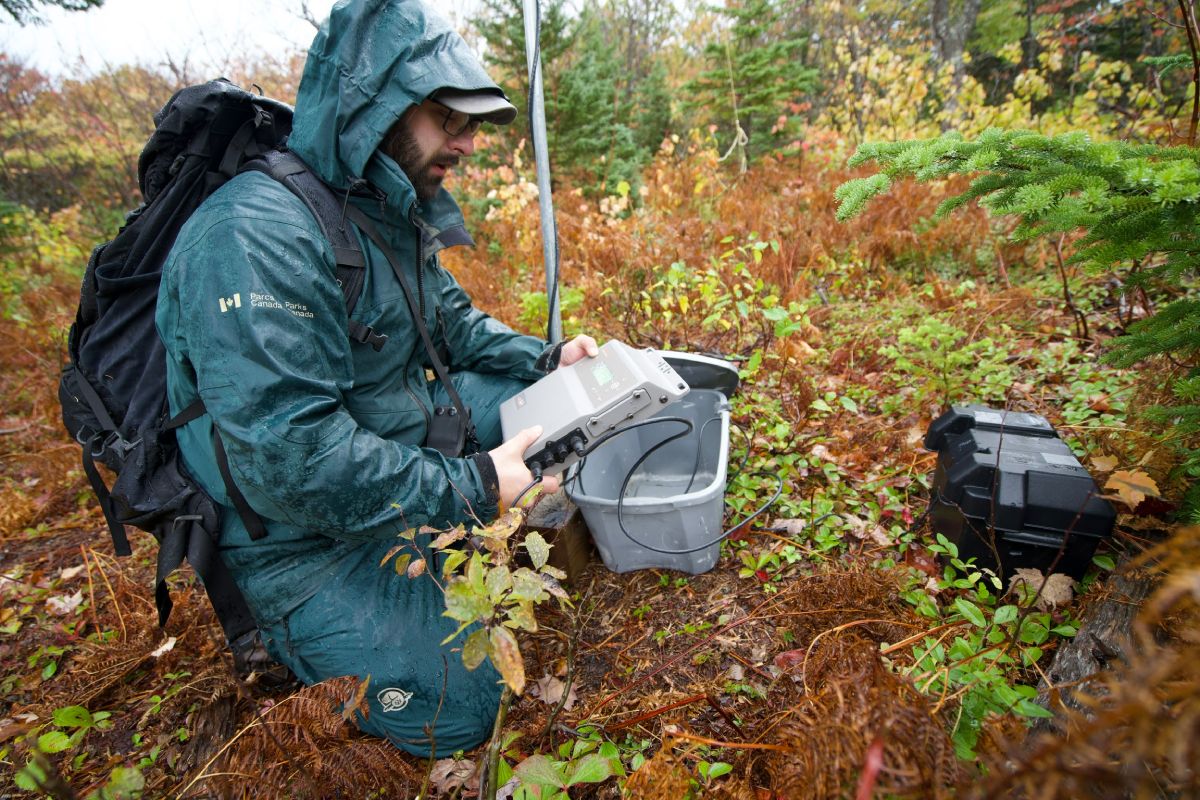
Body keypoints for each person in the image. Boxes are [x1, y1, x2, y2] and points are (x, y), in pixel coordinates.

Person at [155, 0, 597, 756]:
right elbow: (292, 462)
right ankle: (285, 633)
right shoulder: (253, 237)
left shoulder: (383, 205)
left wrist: (546, 358)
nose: (465, 142)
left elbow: (452, 326)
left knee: (556, 408)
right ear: (376, 110)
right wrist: (475, 484)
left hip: (391, 440)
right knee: (458, 708)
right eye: (446, 118)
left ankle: (439, 541)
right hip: (297, 541)